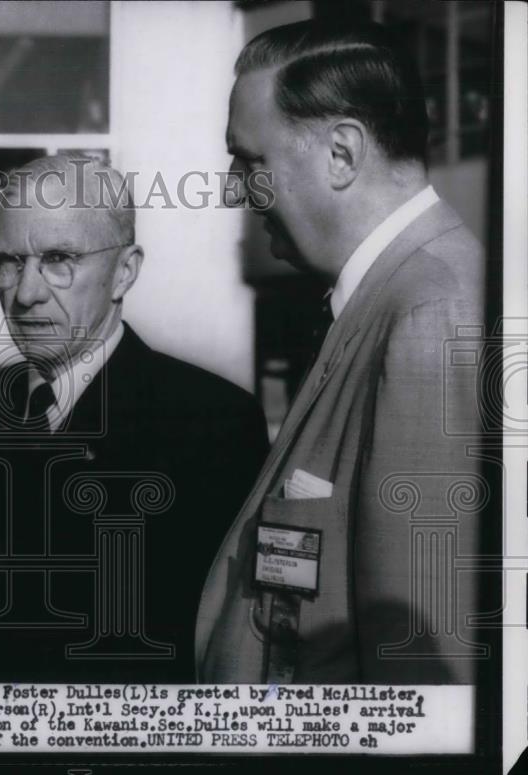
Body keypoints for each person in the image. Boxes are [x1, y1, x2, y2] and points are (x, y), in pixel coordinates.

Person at [197, 20, 485, 683]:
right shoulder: (384, 299)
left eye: (252, 161)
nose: (236, 190)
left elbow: (420, 682)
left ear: (342, 153)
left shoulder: (428, 311)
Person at [0, 155, 269, 683]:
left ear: (125, 272)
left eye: (59, 259)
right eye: (9, 261)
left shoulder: (211, 422)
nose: (26, 293)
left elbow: (219, 650)